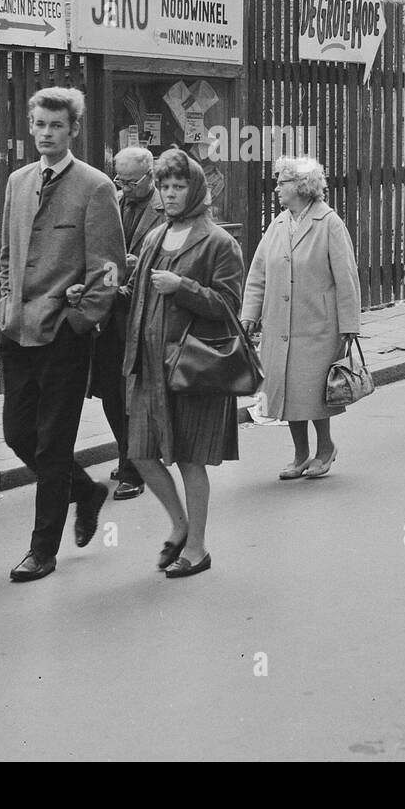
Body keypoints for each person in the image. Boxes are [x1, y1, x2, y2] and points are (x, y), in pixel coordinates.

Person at [0, 87, 125, 583]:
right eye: (40, 125)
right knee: (17, 433)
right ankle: (86, 490)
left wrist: (82, 319)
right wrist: (4, 301)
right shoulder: (17, 182)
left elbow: (108, 268)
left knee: (53, 443)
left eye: (57, 126)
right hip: (17, 329)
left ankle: (42, 550)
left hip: (65, 336)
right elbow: (8, 252)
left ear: (73, 130)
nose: (46, 133)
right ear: (31, 127)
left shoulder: (94, 186)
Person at [124, 149, 244, 578]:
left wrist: (183, 286)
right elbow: (138, 296)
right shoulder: (156, 238)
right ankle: (178, 526)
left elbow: (229, 308)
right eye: (165, 187)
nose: (171, 195)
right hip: (150, 368)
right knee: (139, 453)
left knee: (190, 460)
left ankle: (197, 547)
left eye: (179, 187)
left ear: (196, 190)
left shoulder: (219, 243)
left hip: (193, 367)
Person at [241, 155, 361, 479]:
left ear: (302, 186)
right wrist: (249, 315)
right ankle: (300, 454)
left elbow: (346, 277)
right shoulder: (278, 224)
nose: (277, 187)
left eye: (283, 181)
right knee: (287, 391)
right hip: (280, 323)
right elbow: (258, 274)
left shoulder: (329, 223)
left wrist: (349, 325)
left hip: (318, 325)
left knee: (314, 391)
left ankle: (325, 449)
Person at [84, 145, 165, 501]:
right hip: (109, 313)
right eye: (119, 179)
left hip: (144, 313)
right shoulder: (111, 202)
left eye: (131, 181)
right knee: (111, 392)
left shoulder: (165, 209)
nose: (124, 186)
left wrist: (135, 265)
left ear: (150, 177)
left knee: (133, 393)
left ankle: (135, 466)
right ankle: (128, 453)